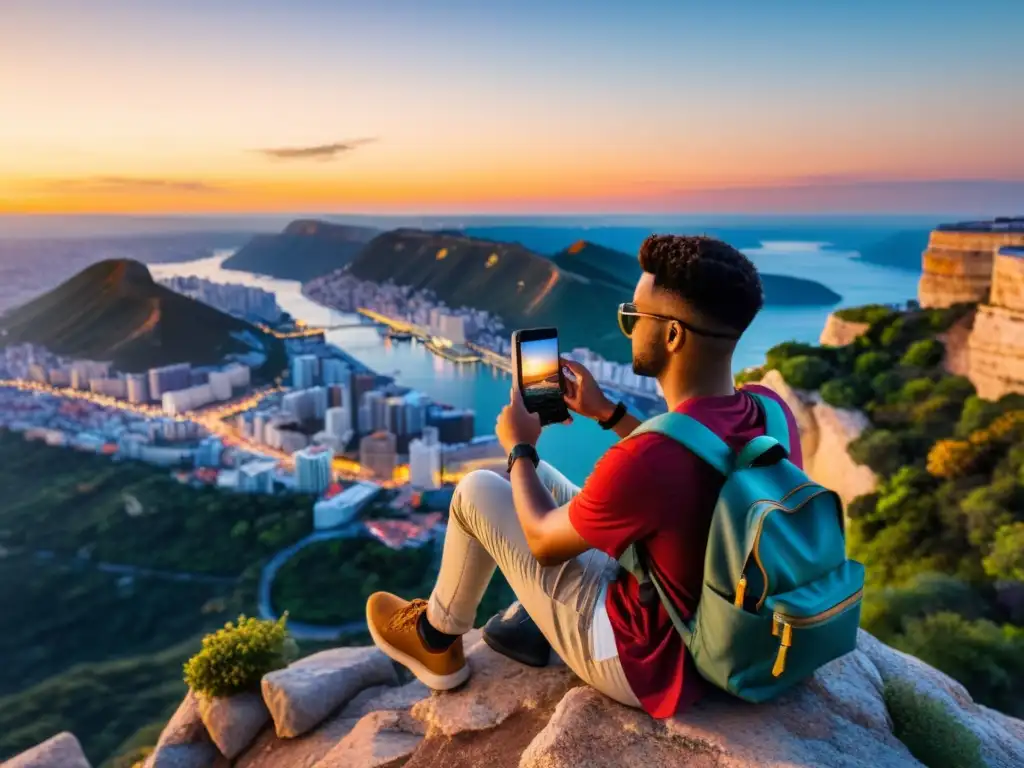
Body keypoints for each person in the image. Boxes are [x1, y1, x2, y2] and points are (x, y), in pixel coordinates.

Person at [365, 234, 803, 718]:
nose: (627, 328)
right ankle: (485, 622)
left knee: (477, 489)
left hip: (647, 661)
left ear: (674, 336)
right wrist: (609, 414)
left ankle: (435, 638)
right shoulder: (770, 410)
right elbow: (703, 465)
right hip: (722, 620)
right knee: (541, 481)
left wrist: (520, 446)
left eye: (633, 317)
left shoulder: (650, 458)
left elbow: (543, 543)